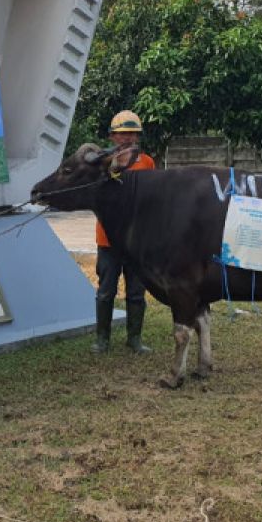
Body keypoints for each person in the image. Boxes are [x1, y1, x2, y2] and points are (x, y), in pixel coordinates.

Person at [93, 110, 158, 354]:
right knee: (106, 291)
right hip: (108, 239)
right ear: (112, 137)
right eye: (121, 134)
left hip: (137, 240)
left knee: (136, 292)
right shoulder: (102, 163)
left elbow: (152, 198)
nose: (127, 138)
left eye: (131, 133)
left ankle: (134, 339)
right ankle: (102, 340)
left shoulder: (147, 162)